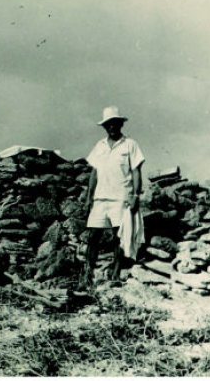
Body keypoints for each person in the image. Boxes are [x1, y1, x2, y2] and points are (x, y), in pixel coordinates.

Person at [79, 106, 145, 289]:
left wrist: (135, 195)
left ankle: (115, 273)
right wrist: (88, 197)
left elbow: (136, 171)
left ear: (121, 124)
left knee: (119, 237)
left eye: (115, 123)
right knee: (93, 236)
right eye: (109, 124)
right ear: (105, 126)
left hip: (121, 198)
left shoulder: (130, 144)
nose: (112, 127)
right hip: (100, 198)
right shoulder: (99, 146)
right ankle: (87, 276)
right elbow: (94, 173)